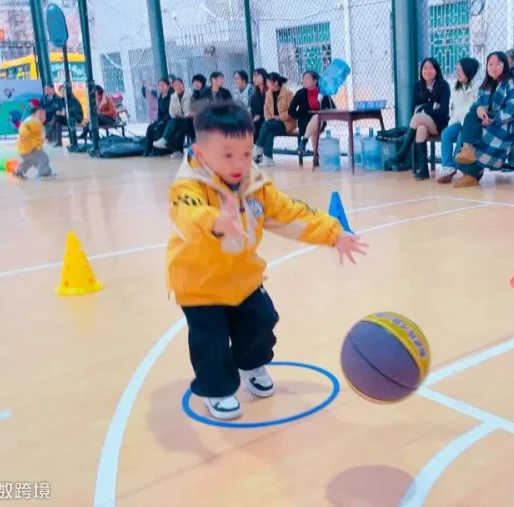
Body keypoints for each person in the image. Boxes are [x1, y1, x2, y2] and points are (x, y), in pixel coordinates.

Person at [165, 100, 368, 420]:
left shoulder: (255, 185)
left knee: (261, 322)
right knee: (210, 341)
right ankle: (216, 389)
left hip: (243, 277)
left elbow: (291, 213)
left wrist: (333, 233)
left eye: (246, 154)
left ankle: (249, 364)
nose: (239, 163)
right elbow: (185, 214)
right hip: (198, 283)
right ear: (201, 154)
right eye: (228, 155)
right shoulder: (188, 186)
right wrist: (215, 221)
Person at [451, 51, 514, 188]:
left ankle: (471, 172)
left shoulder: (511, 83)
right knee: (471, 116)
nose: (494, 67)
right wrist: (478, 108)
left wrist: (492, 119)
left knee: (471, 133)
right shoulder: (486, 84)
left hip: (503, 126)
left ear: (505, 65)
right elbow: (476, 103)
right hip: (485, 122)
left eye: (498, 64)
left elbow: (512, 111)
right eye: (490, 64)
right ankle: (468, 158)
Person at [384, 58, 451, 180]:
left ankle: (401, 154)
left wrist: (425, 109)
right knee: (420, 129)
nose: (427, 71)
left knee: (418, 118)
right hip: (423, 123)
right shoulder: (418, 86)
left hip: (440, 125)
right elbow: (414, 108)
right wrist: (431, 106)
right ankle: (423, 169)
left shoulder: (443, 86)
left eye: (431, 68)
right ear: (421, 71)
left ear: (436, 70)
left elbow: (443, 111)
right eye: (425, 68)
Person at [436, 57, 479, 184]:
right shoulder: (456, 88)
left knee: (461, 136)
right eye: (457, 70)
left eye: (460, 70)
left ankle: (456, 164)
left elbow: (471, 110)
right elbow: (456, 109)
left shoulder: (477, 87)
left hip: (471, 123)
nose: (457, 73)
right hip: (458, 121)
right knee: (446, 133)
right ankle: (447, 167)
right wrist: (452, 123)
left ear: (468, 70)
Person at [253, 72, 295, 167]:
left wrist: (279, 117)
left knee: (267, 126)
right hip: (272, 122)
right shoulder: (268, 93)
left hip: (286, 123)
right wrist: (269, 118)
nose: (267, 84)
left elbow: (291, 112)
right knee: (269, 130)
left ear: (275, 83)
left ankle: (258, 147)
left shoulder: (288, 94)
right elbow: (266, 109)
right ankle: (269, 159)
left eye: (268, 82)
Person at [13, 106, 55, 180]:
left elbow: (40, 136)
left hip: (28, 146)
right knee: (42, 157)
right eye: (40, 114)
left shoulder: (38, 123)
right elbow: (24, 127)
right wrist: (24, 134)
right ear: (33, 115)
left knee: (29, 161)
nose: (42, 116)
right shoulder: (31, 121)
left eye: (44, 115)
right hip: (29, 145)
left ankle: (18, 172)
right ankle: (44, 173)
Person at [153, 77, 194, 154]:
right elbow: (171, 111)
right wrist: (178, 116)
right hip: (180, 119)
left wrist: (186, 115)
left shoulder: (190, 95)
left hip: (191, 120)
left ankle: (170, 145)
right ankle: (166, 142)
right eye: (175, 85)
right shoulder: (173, 97)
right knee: (174, 122)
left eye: (179, 84)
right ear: (173, 87)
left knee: (180, 125)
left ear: (183, 85)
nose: (177, 87)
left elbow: (193, 109)